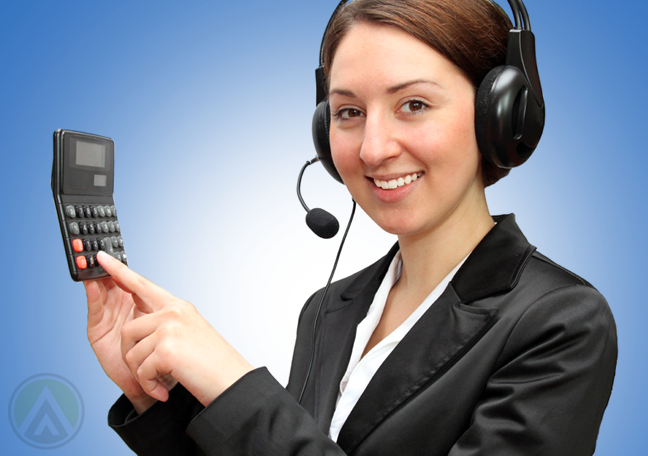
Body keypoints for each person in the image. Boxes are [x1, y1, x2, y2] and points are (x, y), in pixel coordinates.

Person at [84, 0, 617, 454]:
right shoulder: (327, 311)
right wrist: (156, 395)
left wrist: (233, 386)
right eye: (348, 112)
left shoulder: (560, 322)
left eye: (413, 104)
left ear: (498, 115)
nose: (372, 148)